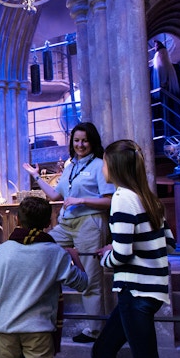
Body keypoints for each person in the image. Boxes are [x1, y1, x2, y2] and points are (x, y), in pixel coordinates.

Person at [22, 122, 115, 343]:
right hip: (67, 223)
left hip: (89, 223)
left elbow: (110, 200)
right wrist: (36, 176)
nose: (80, 145)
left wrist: (81, 200)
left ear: (92, 142)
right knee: (38, 245)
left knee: (91, 279)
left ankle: (94, 330)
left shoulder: (100, 165)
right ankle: (55, 287)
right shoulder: (71, 166)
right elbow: (55, 195)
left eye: (85, 141)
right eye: (76, 140)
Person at [92, 139, 176, 358]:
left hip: (136, 290)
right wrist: (120, 246)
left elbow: (122, 255)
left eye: (105, 163)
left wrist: (105, 258)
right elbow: (169, 244)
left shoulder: (122, 198)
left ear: (115, 166)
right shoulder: (147, 197)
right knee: (102, 352)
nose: (102, 168)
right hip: (152, 289)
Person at [0, 196, 88, 358]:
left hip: (5, 329)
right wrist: (75, 258)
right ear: (48, 223)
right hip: (38, 331)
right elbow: (82, 284)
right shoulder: (55, 253)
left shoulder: (3, 250)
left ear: (17, 220)